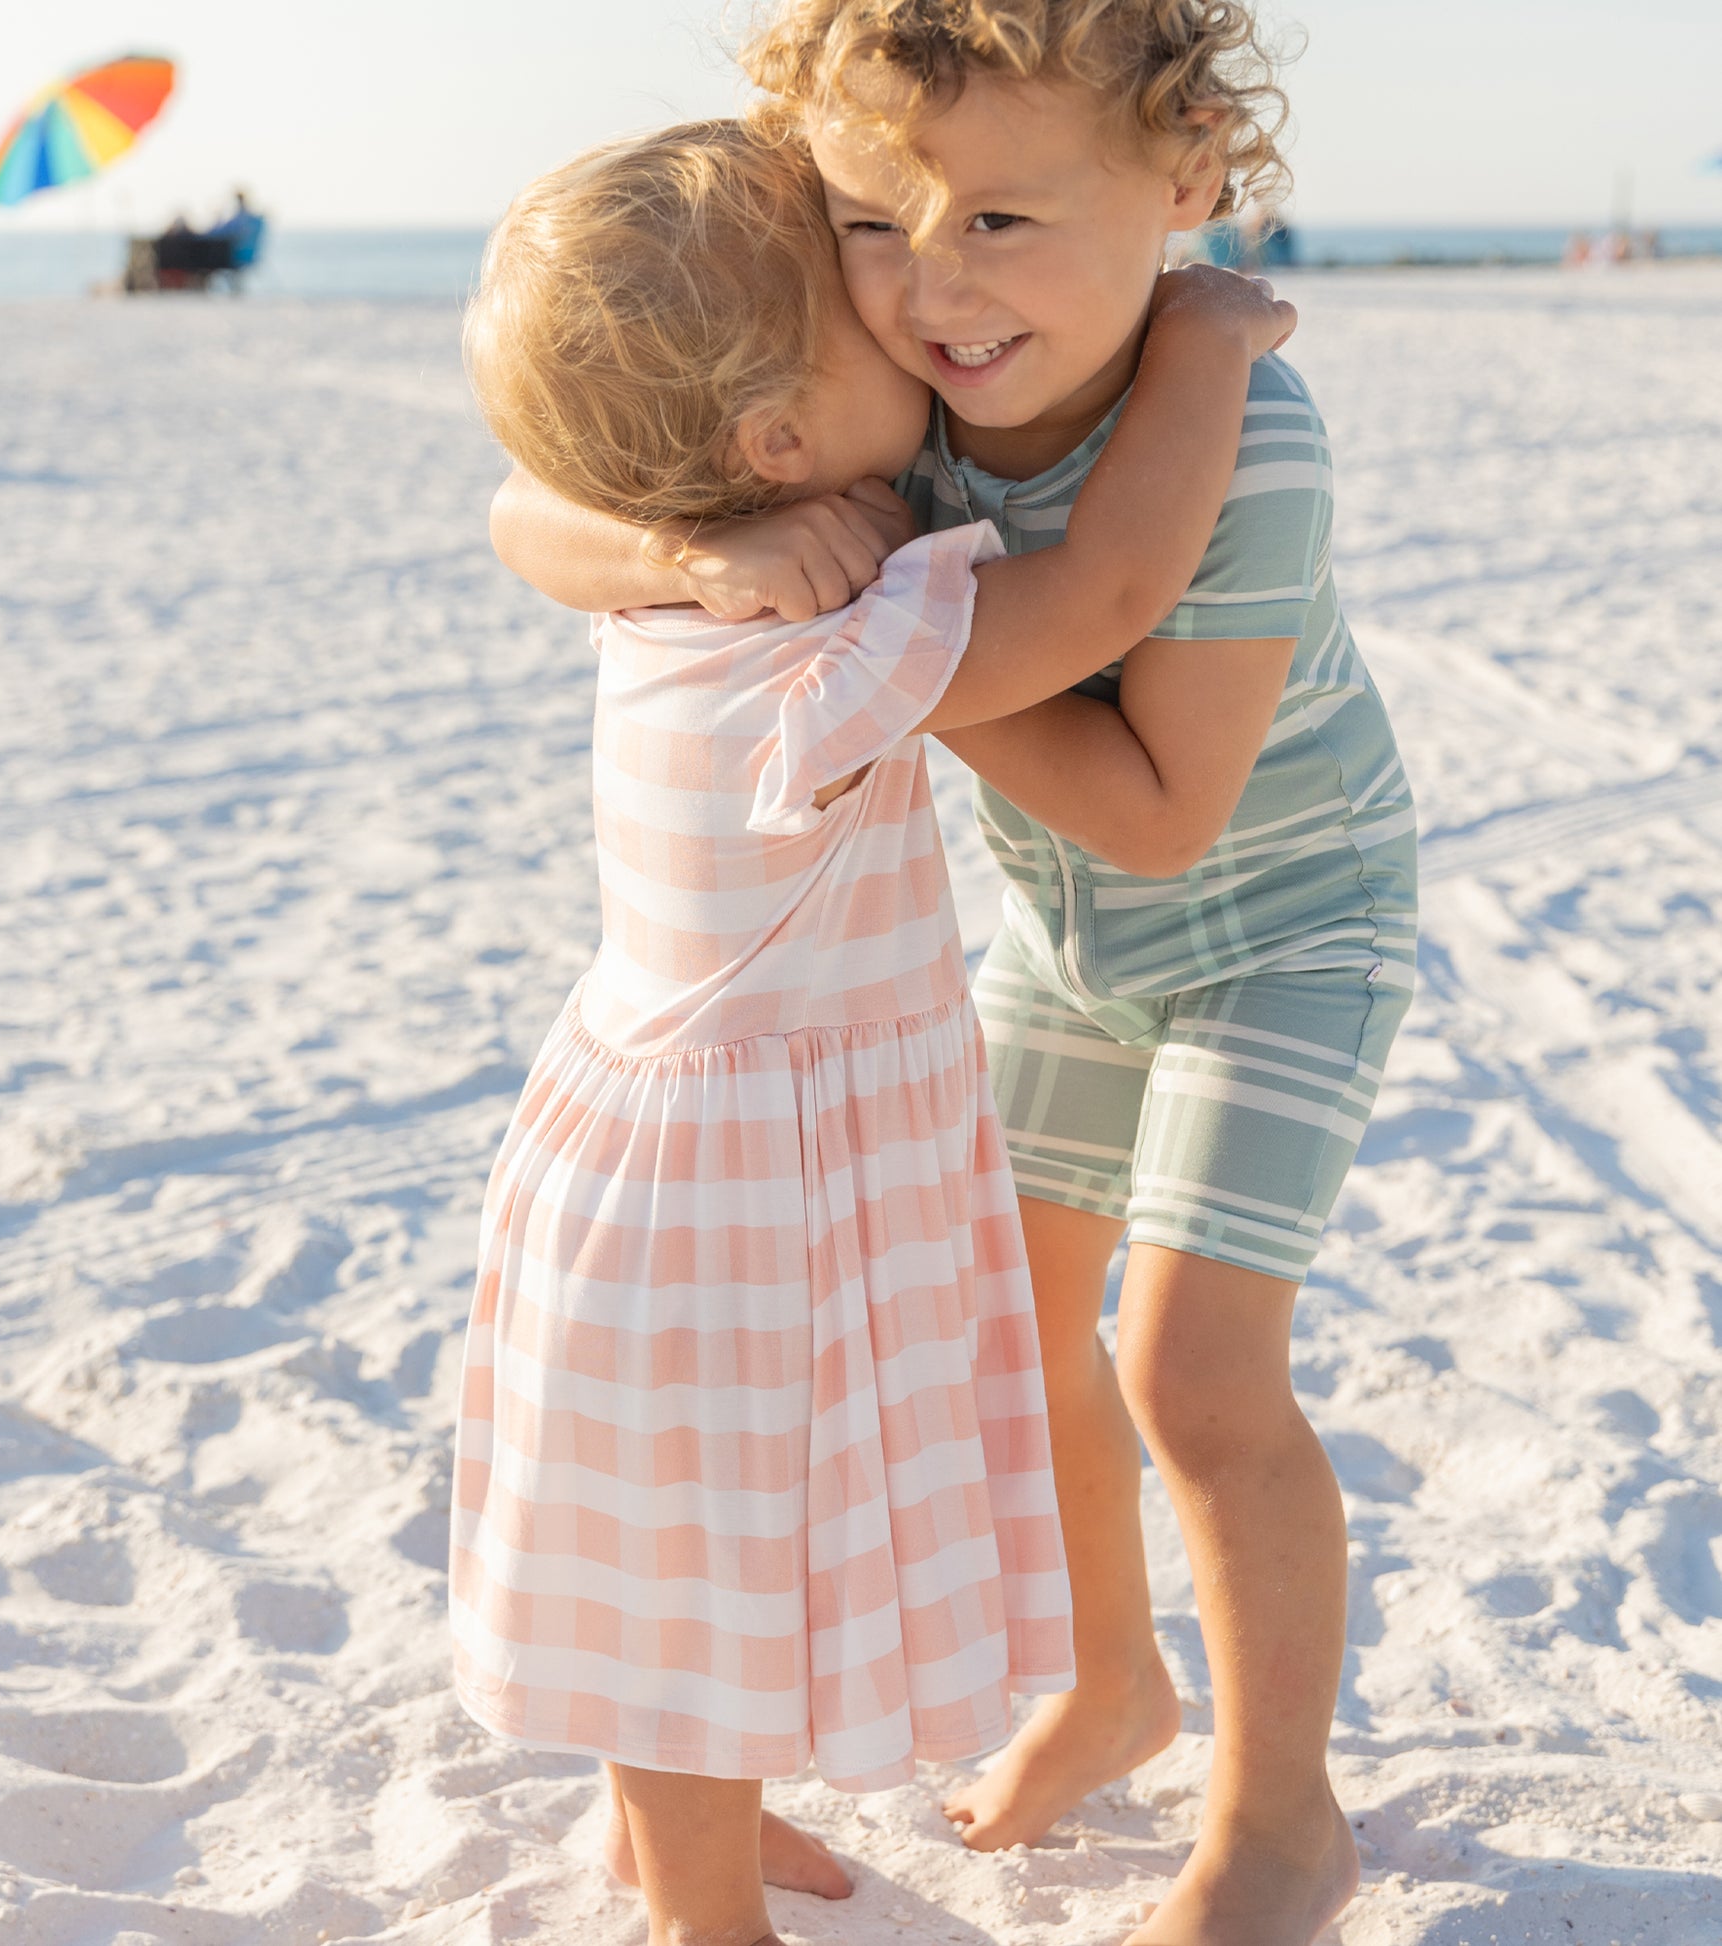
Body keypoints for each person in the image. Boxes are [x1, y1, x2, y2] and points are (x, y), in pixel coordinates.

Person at [492, 6, 1418, 1941]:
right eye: (868, 222)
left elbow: (1162, 813)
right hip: (1072, 941)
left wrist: (903, 641)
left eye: (999, 219)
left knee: (1189, 1364)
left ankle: (1277, 1824)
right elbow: (522, 511)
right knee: (1019, 1322)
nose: (931, 286)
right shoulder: (892, 434)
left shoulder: (1224, 442)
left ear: (1183, 192)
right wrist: (704, 547)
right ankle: (1110, 1680)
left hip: (1279, 929)